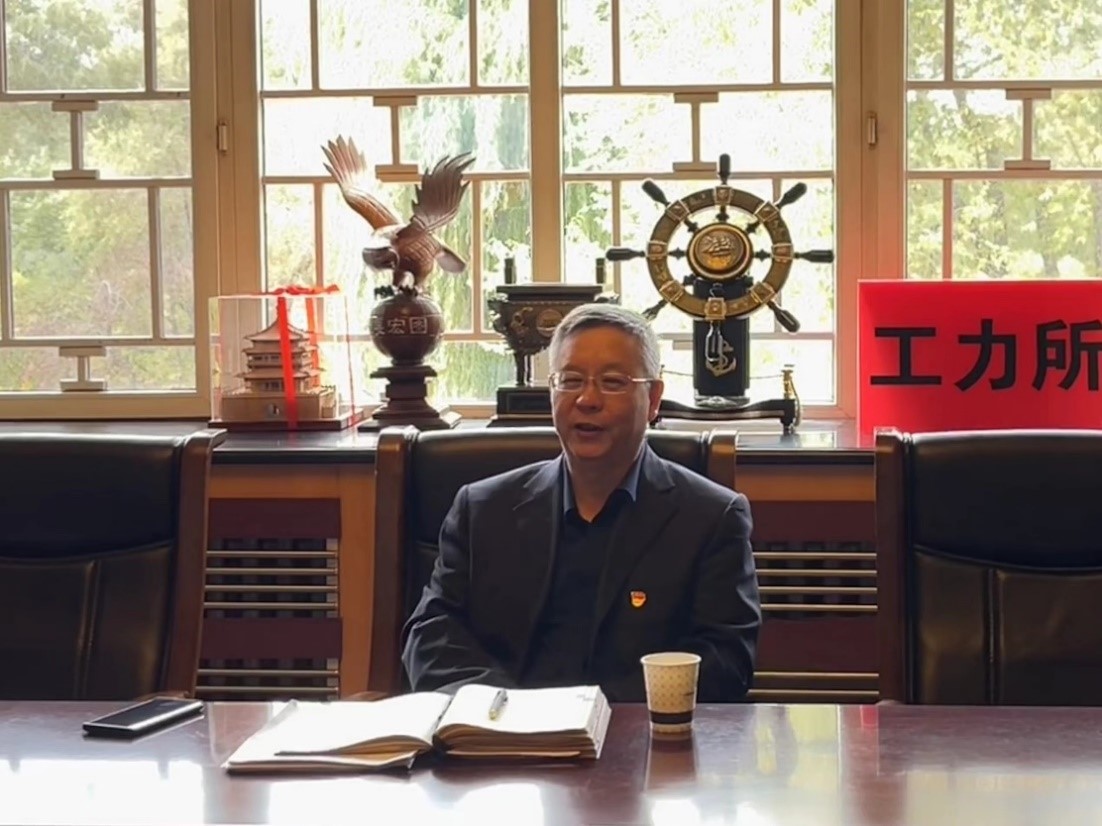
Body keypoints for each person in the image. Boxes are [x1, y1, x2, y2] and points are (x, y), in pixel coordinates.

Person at [401, 303, 761, 702]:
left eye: (612, 382)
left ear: (653, 398)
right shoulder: (483, 509)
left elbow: (726, 663)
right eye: (570, 380)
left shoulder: (710, 518)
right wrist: (508, 711)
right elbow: (432, 636)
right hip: (501, 732)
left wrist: (596, 713)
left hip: (638, 734)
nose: (588, 399)